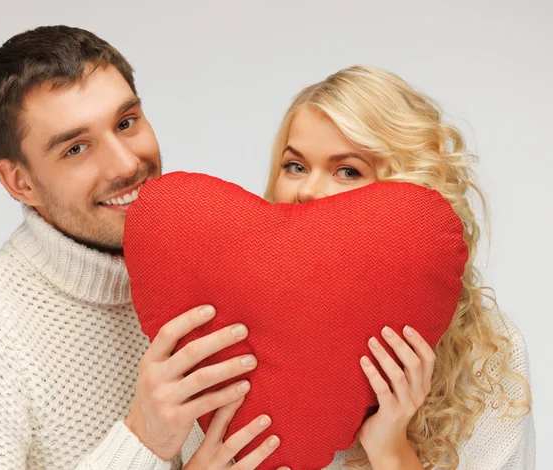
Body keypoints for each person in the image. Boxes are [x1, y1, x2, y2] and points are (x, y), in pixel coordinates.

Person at [0, 25, 289, 470]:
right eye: (76, 148)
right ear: (21, 182)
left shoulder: (215, 264)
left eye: (126, 123)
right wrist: (142, 439)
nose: (127, 163)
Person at [180, 65, 535, 469]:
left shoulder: (486, 356)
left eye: (348, 171)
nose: (309, 190)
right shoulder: (221, 331)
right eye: (295, 166)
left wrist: (390, 449)